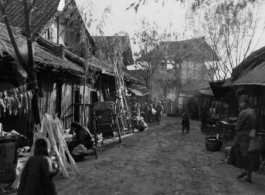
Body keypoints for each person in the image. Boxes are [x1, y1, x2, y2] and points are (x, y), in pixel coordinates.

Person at [229, 95, 259, 183]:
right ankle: (249, 176)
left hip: (244, 136)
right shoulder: (252, 111)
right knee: (250, 154)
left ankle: (245, 171)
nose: (240, 104)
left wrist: (237, 126)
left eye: (241, 102)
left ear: (245, 102)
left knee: (240, 153)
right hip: (252, 135)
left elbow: (238, 127)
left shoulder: (244, 112)